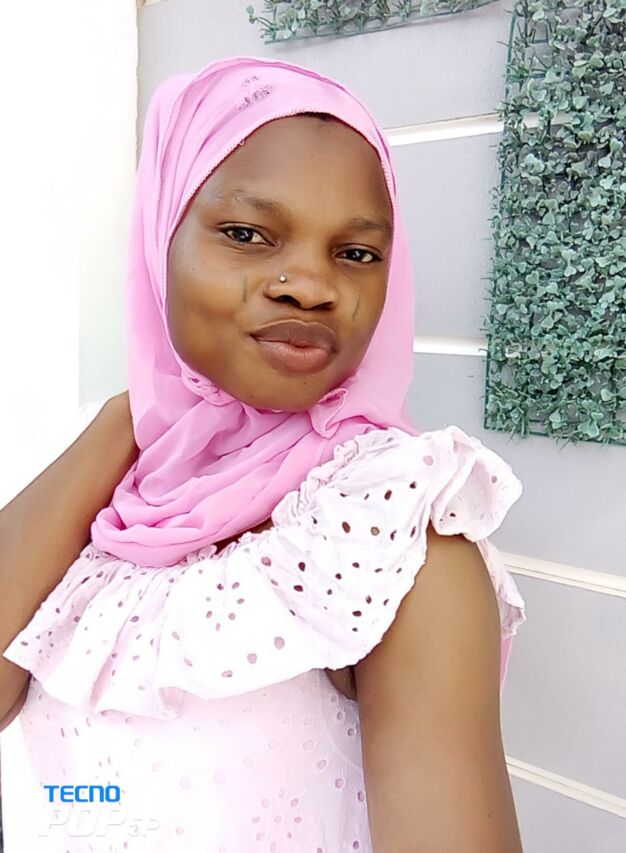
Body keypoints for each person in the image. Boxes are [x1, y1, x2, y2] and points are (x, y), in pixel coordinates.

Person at [0, 56, 526, 851]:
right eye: (247, 234)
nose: (309, 285)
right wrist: (132, 416)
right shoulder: (115, 479)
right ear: (160, 237)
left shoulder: (393, 531)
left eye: (356, 252)